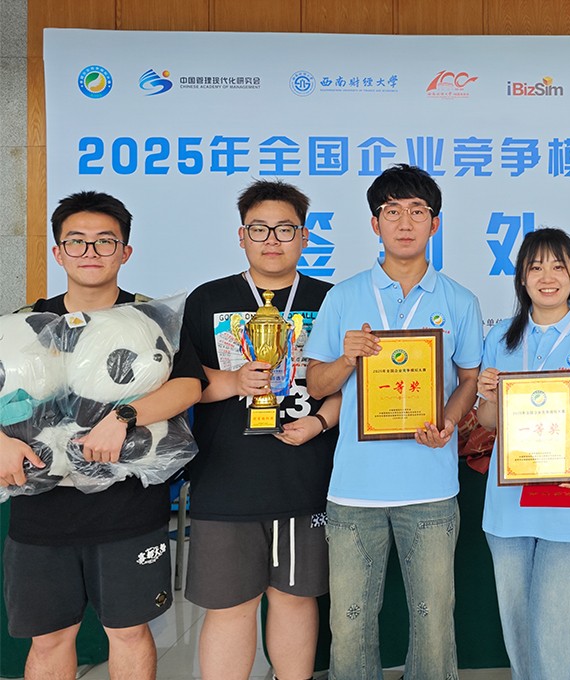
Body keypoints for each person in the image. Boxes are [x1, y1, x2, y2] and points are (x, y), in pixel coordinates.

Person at [0, 191, 205, 680]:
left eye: (104, 241)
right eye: (77, 241)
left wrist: (124, 417)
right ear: (58, 252)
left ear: (125, 252)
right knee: (49, 638)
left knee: (128, 632)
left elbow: (188, 384)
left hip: (127, 509)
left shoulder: (151, 319)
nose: (90, 252)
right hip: (41, 512)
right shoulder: (25, 323)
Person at [305, 164, 483, 680]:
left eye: (417, 211)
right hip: (354, 490)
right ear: (374, 223)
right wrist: (347, 359)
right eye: (392, 211)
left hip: (430, 486)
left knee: (433, 623)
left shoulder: (459, 300)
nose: (405, 222)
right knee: (350, 622)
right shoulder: (343, 297)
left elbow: (469, 380)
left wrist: (448, 421)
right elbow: (316, 384)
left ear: (435, 223)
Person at [181, 180, 341, 680]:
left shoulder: (330, 299)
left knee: (295, 599)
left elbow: (353, 384)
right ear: (241, 235)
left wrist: (320, 421)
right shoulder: (208, 299)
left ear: (305, 236)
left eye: (285, 229)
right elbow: (183, 385)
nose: (272, 239)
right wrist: (232, 381)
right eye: (259, 229)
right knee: (231, 607)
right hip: (225, 480)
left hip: (305, 477)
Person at [474, 228, 570, 680]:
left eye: (558, 266)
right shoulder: (501, 337)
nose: (547, 277)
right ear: (521, 277)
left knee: (560, 633)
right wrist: (488, 395)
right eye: (536, 267)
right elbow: (487, 421)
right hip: (510, 505)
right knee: (519, 631)